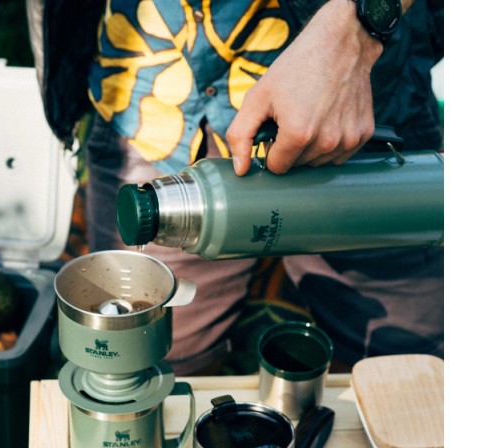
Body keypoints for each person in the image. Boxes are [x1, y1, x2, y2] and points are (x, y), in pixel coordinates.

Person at [27, 0, 444, 375]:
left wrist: (357, 29)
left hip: (352, 107)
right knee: (149, 363)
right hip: (156, 101)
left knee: (407, 362)